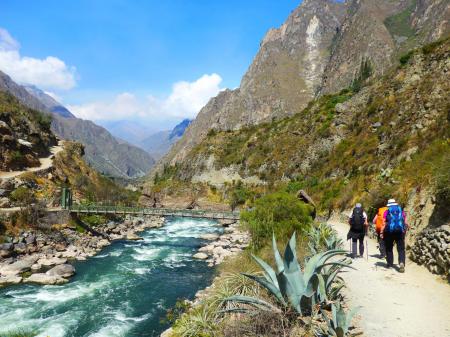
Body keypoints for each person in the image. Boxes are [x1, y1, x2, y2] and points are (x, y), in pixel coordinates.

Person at [381, 199, 408, 273]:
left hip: (389, 232)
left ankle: (390, 264)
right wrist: (404, 230)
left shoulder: (386, 212)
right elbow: (405, 222)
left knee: (389, 248)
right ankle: (401, 262)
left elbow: (383, 223)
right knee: (401, 249)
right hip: (400, 232)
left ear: (388, 205)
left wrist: (381, 232)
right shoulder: (401, 211)